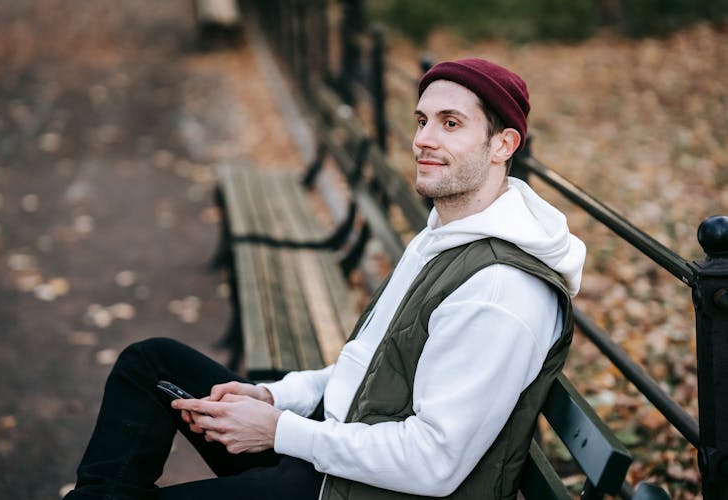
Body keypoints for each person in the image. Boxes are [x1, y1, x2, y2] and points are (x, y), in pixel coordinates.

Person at [65, 57, 586, 500]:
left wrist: (279, 431)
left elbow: (435, 463)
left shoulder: (499, 292)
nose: (423, 140)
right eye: (422, 119)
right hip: (331, 451)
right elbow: (368, 369)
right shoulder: (446, 235)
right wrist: (274, 397)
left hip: (353, 489)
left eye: (451, 124)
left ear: (502, 145)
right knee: (149, 363)